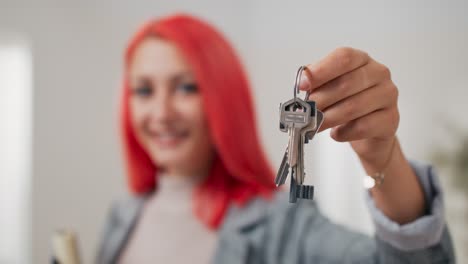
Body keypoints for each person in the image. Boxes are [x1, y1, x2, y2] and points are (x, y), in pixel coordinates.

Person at [96, 13, 455, 263]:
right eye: (143, 90)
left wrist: (382, 156)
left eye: (186, 87)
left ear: (224, 97)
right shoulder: (123, 214)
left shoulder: (281, 224)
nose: (161, 113)